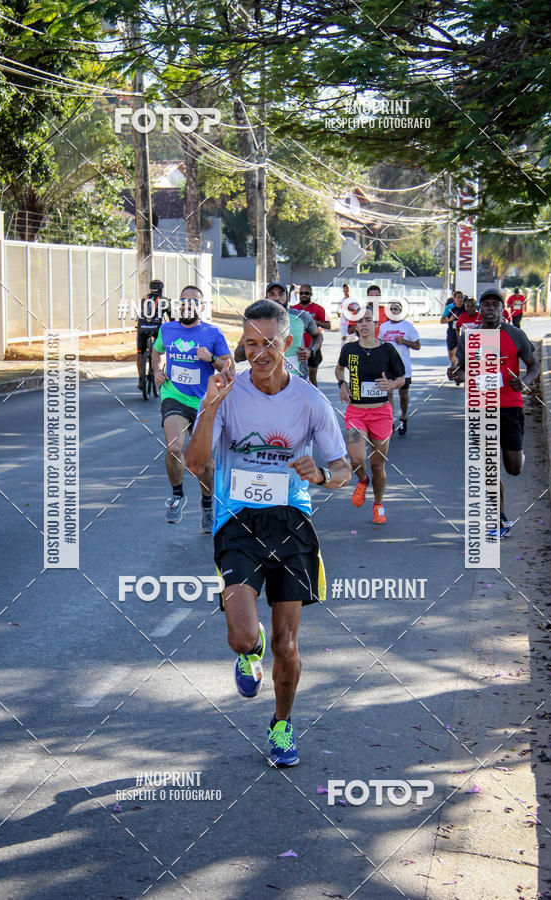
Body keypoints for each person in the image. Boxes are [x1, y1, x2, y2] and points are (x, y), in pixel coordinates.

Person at [185, 299, 350, 767]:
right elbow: (195, 463)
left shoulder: (310, 401)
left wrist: (321, 475)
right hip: (237, 520)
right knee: (242, 637)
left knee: (287, 644)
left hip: (291, 522)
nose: (258, 353)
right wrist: (212, 404)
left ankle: (281, 724)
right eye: (249, 343)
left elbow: (342, 469)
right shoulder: (226, 391)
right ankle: (249, 648)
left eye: (268, 343)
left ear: (288, 342)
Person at [448, 289, 540, 537]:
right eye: (486, 304)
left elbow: (534, 364)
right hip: (480, 407)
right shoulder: (470, 337)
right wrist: (456, 374)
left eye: (495, 305)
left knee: (513, 468)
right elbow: (462, 370)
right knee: (489, 466)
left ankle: (518, 455)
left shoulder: (515, 334)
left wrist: (525, 382)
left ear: (502, 309)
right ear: (481, 309)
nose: (490, 308)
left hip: (510, 406)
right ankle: (500, 519)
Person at [152, 285, 233, 530]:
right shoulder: (167, 329)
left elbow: (229, 368)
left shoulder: (213, 333)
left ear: (202, 307)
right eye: (183, 301)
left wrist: (211, 358)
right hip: (174, 397)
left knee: (204, 462)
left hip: (203, 403)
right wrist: (157, 371)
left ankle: (207, 505)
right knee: (174, 448)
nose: (188, 305)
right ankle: (177, 496)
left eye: (194, 302)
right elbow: (156, 352)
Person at [335, 303, 405, 523]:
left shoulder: (387, 349)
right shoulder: (349, 349)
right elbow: (339, 368)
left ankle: (378, 504)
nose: (364, 324)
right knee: (356, 459)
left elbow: (401, 378)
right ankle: (362, 480)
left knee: (377, 465)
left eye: (368, 320)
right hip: (356, 412)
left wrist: (391, 385)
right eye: (359, 321)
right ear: (355, 326)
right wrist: (342, 383)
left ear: (376, 324)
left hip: (381, 414)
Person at [234, 282, 322, 379]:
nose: (277, 298)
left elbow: (318, 336)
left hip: (298, 379)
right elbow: (237, 356)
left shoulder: (301, 316)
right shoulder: (258, 322)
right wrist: (257, 349)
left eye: (281, 294)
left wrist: (311, 350)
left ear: (287, 297)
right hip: (267, 381)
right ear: (266, 298)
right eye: (272, 294)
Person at [378, 300, 421, 435]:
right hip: (388, 366)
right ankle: (390, 421)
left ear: (400, 312)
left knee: (403, 395)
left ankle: (403, 417)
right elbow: (379, 343)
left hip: (403, 367)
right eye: (391, 309)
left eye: (396, 309)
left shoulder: (407, 326)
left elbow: (417, 346)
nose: (393, 311)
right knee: (389, 393)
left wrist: (404, 341)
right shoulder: (383, 327)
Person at [291, 284, 331, 386]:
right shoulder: (293, 309)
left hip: (312, 347)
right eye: (301, 293)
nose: (304, 295)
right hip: (297, 349)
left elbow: (328, 325)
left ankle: (314, 395)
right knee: (297, 377)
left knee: (312, 377)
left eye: (306, 293)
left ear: (311, 294)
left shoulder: (319, 308)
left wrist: (315, 322)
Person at [136, 278, 170, 390]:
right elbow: (172, 318)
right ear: (161, 289)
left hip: (142, 326)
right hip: (156, 328)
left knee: (140, 352)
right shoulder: (164, 300)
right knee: (160, 351)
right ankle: (159, 372)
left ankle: (141, 379)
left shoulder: (144, 298)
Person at [441, 290, 465, 365]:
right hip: (452, 332)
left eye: (461, 297)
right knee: (452, 357)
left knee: (461, 355)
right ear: (454, 298)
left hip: (463, 333)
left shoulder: (465, 308)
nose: (460, 299)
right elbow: (442, 321)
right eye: (458, 297)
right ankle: (454, 367)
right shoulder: (450, 308)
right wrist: (450, 319)